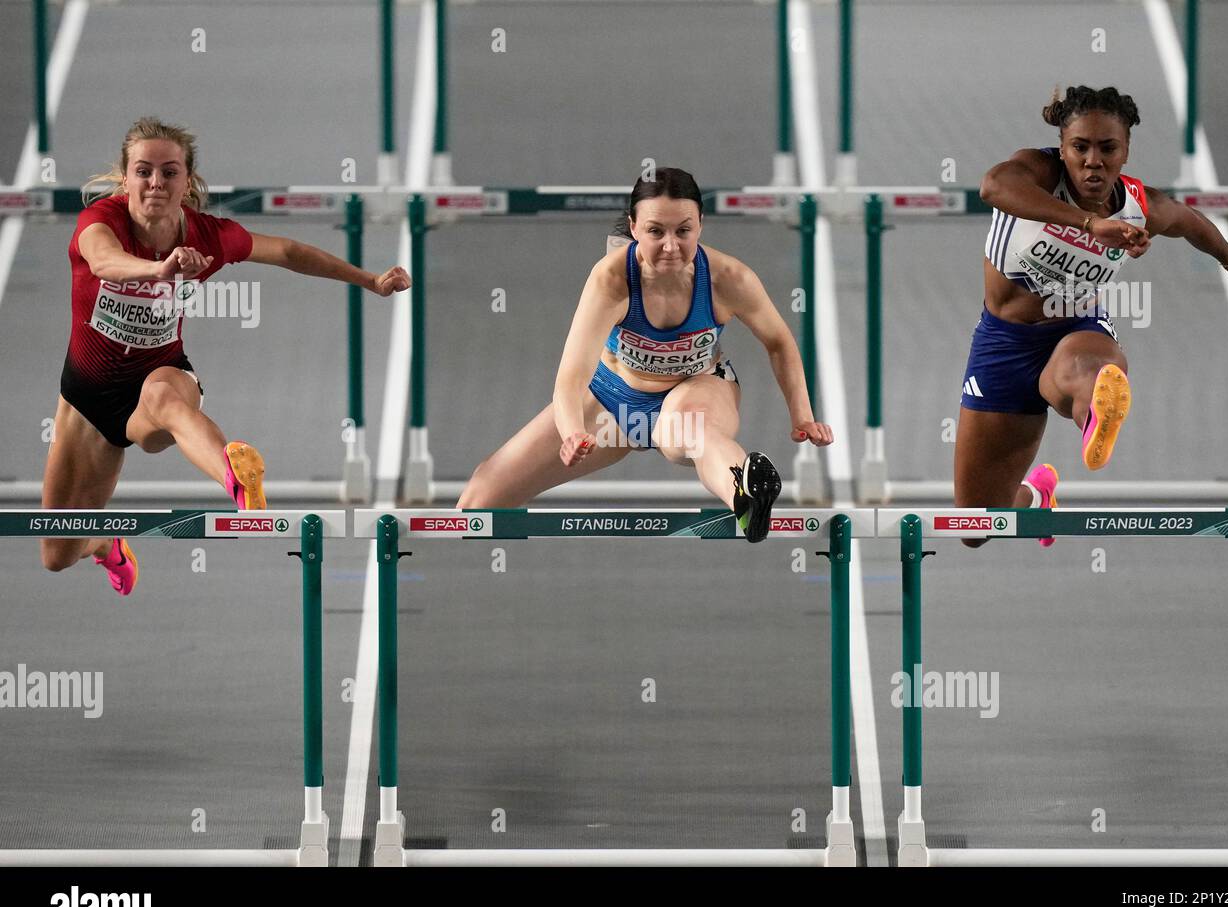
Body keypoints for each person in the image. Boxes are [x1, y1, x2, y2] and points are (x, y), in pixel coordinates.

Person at [44, 116, 411, 594]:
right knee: (56, 553)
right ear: (125, 176)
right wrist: (159, 268)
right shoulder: (102, 221)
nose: (156, 182)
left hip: (160, 375)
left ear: (187, 181)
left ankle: (237, 478)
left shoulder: (208, 236)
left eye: (169, 172)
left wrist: (369, 280)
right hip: (86, 401)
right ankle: (105, 545)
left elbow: (288, 252)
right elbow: (101, 260)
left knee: (165, 399)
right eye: (144, 171)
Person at [957, 86, 1228, 547]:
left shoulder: (1139, 207)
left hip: (1077, 329)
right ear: (1061, 148)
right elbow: (993, 187)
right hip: (1003, 342)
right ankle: (1036, 494)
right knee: (976, 527)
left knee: (1085, 374)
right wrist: (1087, 224)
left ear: (1125, 151)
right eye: (1079, 147)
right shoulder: (1036, 172)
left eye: (1108, 148)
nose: (1092, 161)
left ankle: (1094, 413)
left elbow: (1188, 222)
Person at [457, 167, 833, 542]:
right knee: (476, 507)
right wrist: (572, 433)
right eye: (656, 232)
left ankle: (746, 496)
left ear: (700, 225)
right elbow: (570, 377)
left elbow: (779, 341)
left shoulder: (729, 278)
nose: (671, 246)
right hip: (610, 401)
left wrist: (802, 415)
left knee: (688, 434)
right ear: (634, 227)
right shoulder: (610, 280)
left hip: (696, 387)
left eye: (683, 231)